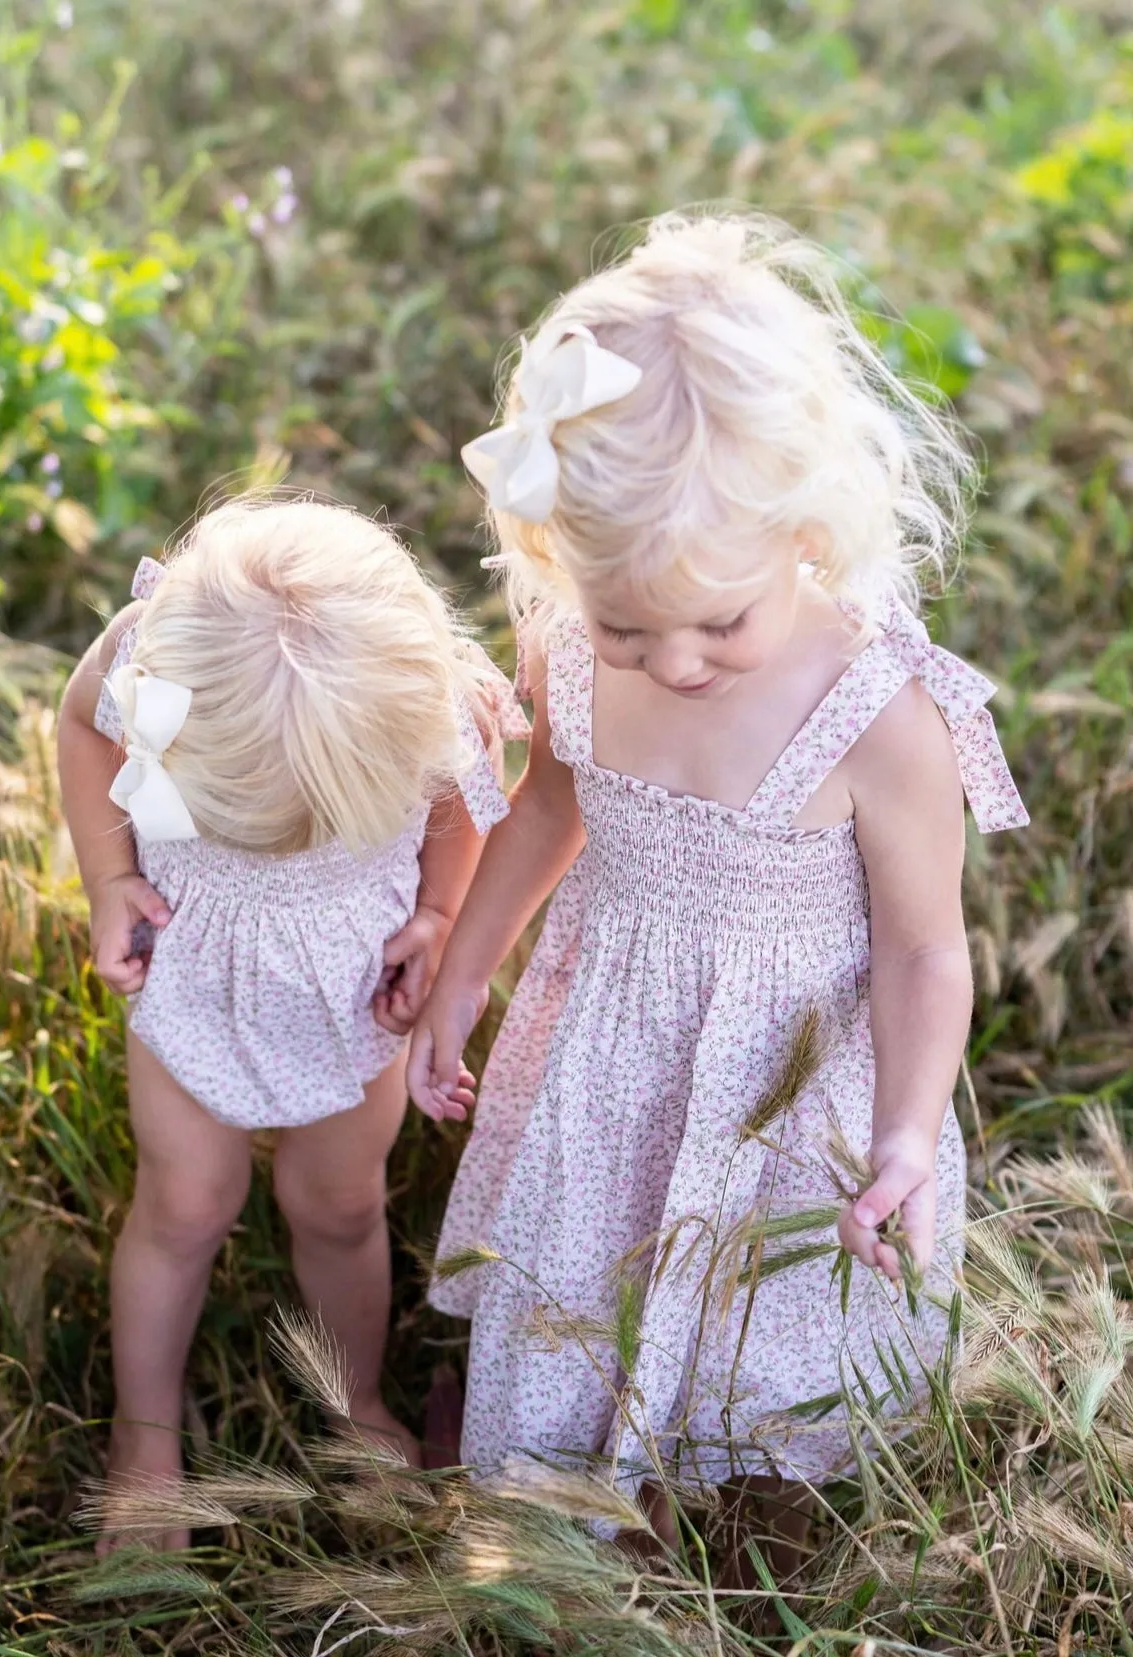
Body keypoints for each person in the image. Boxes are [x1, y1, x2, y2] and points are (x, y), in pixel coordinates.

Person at [407, 213, 1028, 1546]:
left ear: (806, 532)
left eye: (718, 625)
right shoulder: (572, 653)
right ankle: (569, 1453)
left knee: (763, 1327)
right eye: (628, 624)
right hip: (613, 1054)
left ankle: (745, 1499)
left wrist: (909, 1133)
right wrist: (463, 973)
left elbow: (927, 949)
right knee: (590, 1265)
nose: (675, 664)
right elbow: (544, 811)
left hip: (790, 1094)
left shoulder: (879, 712)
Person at [57, 495, 524, 1550]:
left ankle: (352, 1397)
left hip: (352, 987)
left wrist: (438, 914)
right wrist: (109, 877)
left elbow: (461, 806)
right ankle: (144, 1443)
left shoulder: (421, 705)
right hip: (192, 970)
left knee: (339, 1203)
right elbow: (82, 731)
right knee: (181, 1202)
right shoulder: (149, 667)